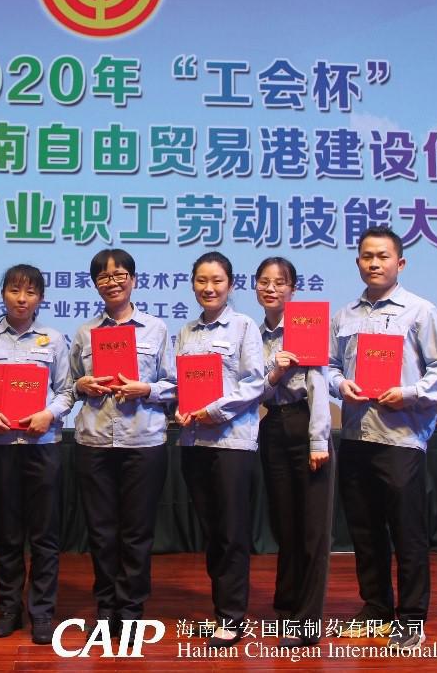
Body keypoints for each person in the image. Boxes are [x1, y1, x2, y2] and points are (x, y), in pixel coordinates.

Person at [327, 226, 437, 651]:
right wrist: (340, 385)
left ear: (400, 263)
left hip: (400, 437)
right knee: (364, 530)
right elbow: (328, 366)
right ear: (357, 263)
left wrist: (410, 393)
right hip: (356, 435)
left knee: (407, 532)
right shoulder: (344, 315)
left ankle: (411, 616)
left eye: (383, 256)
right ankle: (376, 608)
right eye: (367, 256)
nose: (374, 263)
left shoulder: (420, 311)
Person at [65, 248, 175, 639]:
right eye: (104, 276)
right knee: (101, 531)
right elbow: (68, 386)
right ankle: (106, 606)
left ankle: (130, 609)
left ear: (133, 280)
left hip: (143, 441)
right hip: (94, 441)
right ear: (95, 284)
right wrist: (81, 384)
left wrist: (147, 388)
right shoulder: (84, 332)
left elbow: (174, 384)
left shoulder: (156, 329)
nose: (112, 282)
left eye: (120, 275)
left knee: (136, 532)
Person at [0, 264, 72, 645]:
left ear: (41, 298)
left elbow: (66, 391)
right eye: (14, 290)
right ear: (3, 294)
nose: (22, 299)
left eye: (30, 292)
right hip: (1, 447)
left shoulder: (54, 340)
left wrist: (49, 414)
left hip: (42, 446)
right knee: (8, 534)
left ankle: (42, 611)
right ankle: (9, 609)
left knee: (44, 535)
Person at [173, 251, 265, 648]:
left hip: (231, 442)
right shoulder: (186, 332)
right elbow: (180, 384)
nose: (208, 288)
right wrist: (179, 407)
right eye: (201, 280)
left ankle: (232, 615)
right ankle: (221, 609)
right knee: (212, 532)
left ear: (231, 284)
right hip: (194, 442)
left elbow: (254, 383)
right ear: (192, 283)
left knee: (231, 532)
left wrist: (213, 410)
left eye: (217, 281)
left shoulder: (244, 327)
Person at [254, 256, 334, 648]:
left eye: (280, 282)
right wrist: (273, 372)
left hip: (306, 425)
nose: (271, 288)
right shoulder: (253, 335)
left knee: (312, 530)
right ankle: (287, 604)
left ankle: (307, 621)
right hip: (273, 425)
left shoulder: (306, 325)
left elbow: (318, 384)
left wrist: (318, 440)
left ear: (293, 289)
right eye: (264, 282)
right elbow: (255, 392)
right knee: (284, 524)